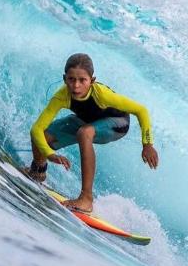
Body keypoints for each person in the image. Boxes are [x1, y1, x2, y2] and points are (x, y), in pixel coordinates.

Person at [28, 53, 159, 212]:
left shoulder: (102, 95)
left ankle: (86, 199)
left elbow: (141, 110)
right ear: (65, 79)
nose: (76, 86)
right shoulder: (62, 96)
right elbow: (36, 129)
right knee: (43, 136)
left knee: (84, 133)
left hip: (116, 124)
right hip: (86, 121)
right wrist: (49, 154)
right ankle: (37, 171)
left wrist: (147, 144)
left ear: (92, 81)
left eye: (82, 80)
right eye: (71, 79)